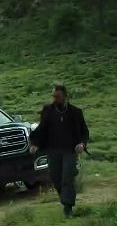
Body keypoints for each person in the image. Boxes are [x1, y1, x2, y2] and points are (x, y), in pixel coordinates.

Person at [29, 84, 89, 218]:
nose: (55, 99)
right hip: (53, 150)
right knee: (55, 177)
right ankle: (66, 198)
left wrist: (82, 144)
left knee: (67, 177)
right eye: (54, 96)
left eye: (58, 97)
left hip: (69, 150)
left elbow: (84, 131)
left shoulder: (75, 112)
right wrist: (35, 144)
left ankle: (68, 207)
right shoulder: (48, 111)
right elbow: (41, 129)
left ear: (65, 96)